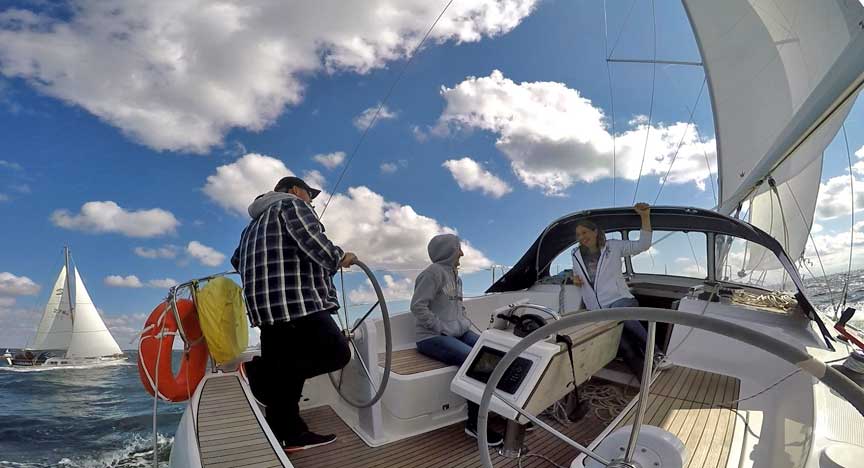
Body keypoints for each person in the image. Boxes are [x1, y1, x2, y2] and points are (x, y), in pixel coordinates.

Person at [231, 176, 356, 453]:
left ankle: (290, 434)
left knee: (290, 368)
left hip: (265, 309)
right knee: (337, 353)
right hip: (297, 303)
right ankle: (257, 371)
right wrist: (342, 257)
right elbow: (316, 245)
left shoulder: (250, 227)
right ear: (296, 190)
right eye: (309, 195)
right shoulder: (292, 206)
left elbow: (237, 261)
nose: (311, 201)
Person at [410, 234, 505, 447]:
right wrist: (441, 328)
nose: (461, 253)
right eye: (458, 249)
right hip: (431, 337)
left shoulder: (456, 276)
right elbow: (417, 306)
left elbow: (457, 305)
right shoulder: (432, 274)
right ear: (448, 251)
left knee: (493, 352)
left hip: (458, 331)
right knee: (474, 361)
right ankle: (474, 424)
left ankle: (500, 409)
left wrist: (461, 322)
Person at [570, 202, 669, 380]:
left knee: (622, 315)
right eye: (578, 235)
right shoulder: (575, 255)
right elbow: (576, 274)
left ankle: (657, 354)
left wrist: (645, 217)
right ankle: (646, 380)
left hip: (620, 300)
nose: (581, 237)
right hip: (598, 310)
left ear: (595, 232)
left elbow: (642, 245)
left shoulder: (613, 246)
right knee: (624, 347)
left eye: (584, 232)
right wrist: (574, 278)